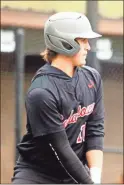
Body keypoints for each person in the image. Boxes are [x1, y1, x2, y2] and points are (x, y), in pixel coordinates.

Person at [11, 12, 105, 184]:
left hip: (76, 173)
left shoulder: (92, 78)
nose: (88, 47)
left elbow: (95, 131)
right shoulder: (42, 92)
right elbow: (61, 149)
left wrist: (96, 178)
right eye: (83, 40)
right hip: (38, 176)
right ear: (65, 43)